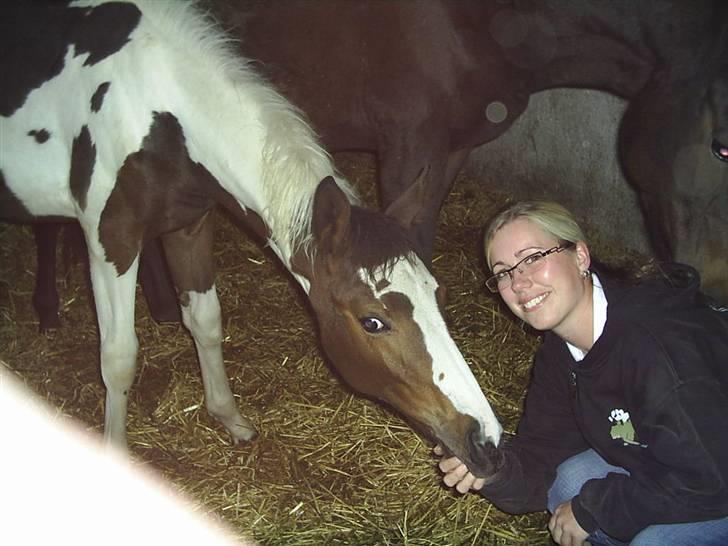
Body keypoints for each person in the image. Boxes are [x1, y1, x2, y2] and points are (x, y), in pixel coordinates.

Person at [435, 201, 728, 546]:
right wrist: (492, 468)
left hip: (716, 478)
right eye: (503, 272)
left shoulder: (657, 345)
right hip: (675, 461)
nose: (519, 282)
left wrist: (597, 509)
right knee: (567, 482)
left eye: (532, 258)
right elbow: (541, 454)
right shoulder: (560, 351)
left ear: (581, 257)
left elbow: (709, 481)